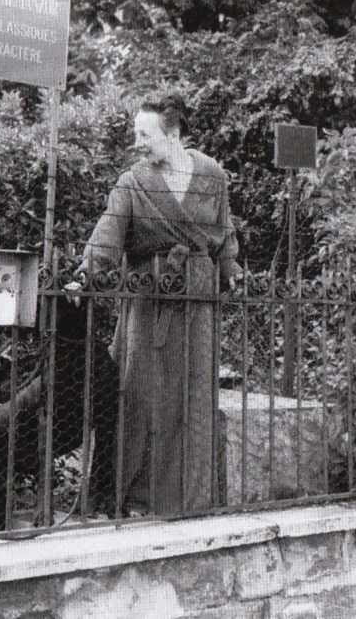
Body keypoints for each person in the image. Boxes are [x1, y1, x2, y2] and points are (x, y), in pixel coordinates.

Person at [71, 93, 241, 515]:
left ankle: (190, 497)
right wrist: (83, 275)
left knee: (194, 401)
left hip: (198, 304)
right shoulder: (132, 182)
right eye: (135, 134)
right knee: (141, 398)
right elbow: (108, 234)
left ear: (174, 134)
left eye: (144, 134)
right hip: (147, 303)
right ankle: (132, 497)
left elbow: (225, 235)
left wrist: (231, 273)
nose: (138, 142)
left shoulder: (212, 175)